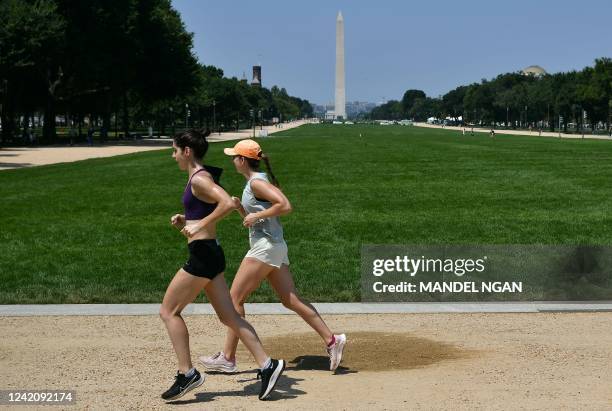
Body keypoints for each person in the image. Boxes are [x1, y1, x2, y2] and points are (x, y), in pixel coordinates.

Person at [200, 139, 346, 374]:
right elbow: (261, 215)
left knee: (233, 299)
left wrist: (255, 217)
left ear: (242, 160)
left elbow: (285, 205)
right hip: (274, 246)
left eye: (234, 156)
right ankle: (332, 340)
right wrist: (241, 209)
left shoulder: (257, 182)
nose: (232, 160)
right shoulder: (256, 182)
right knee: (290, 300)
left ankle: (227, 357)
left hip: (265, 248)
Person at [160, 129, 285, 401]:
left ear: (187, 151)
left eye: (175, 150)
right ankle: (268, 365)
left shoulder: (200, 178)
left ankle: (187, 373)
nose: (174, 155)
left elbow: (227, 203)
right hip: (211, 253)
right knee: (230, 317)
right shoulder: (199, 178)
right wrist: (188, 221)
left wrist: (200, 225)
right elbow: (207, 209)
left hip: (203, 256)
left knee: (169, 311)